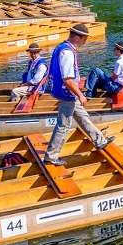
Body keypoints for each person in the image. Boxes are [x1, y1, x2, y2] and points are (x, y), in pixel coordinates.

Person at [43, 23, 112, 166]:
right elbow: (67, 79)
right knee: (63, 125)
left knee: (82, 117)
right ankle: (51, 156)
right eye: (84, 38)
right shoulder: (67, 53)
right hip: (66, 93)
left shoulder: (61, 47)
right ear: (76, 37)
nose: (85, 41)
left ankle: (100, 140)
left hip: (64, 92)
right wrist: (80, 94)